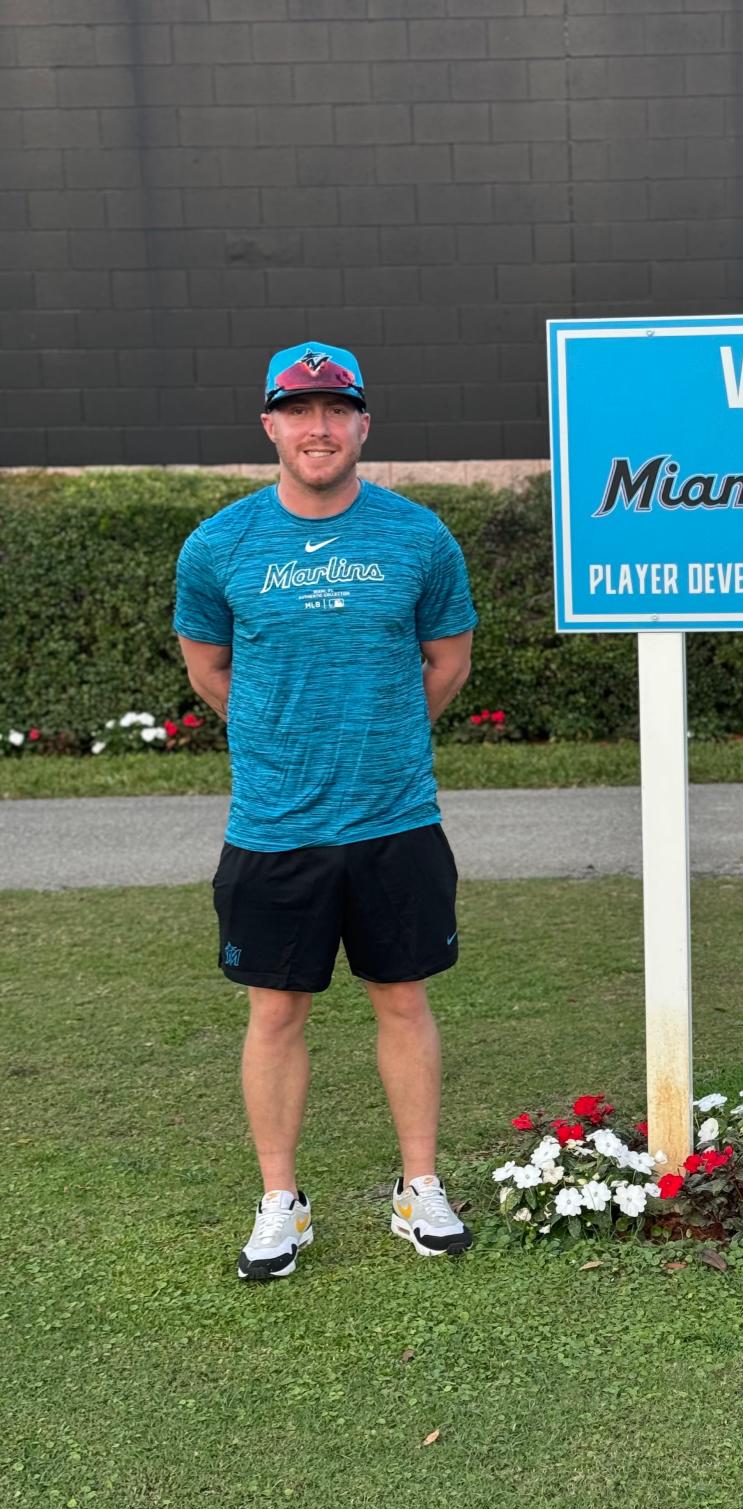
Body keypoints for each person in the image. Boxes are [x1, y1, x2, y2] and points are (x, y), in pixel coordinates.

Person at [173, 341, 477, 1280]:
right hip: (275, 825)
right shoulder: (219, 545)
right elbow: (209, 669)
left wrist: (378, 736)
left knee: (403, 998)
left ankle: (418, 1187)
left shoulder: (419, 537)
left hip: (394, 819)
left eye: (336, 410)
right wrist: (286, 741)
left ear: (363, 425)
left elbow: (448, 662)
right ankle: (280, 1201)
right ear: (270, 425)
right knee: (276, 1013)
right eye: (299, 411)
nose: (319, 427)